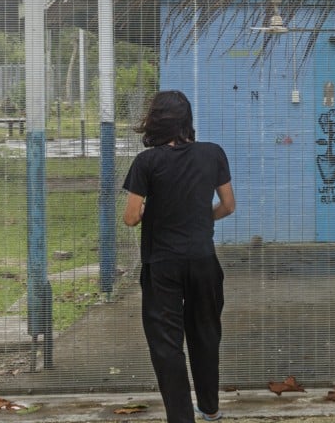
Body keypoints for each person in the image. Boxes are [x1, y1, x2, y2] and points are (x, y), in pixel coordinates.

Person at [123, 90, 236, 423]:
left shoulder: (147, 162)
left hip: (163, 265)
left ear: (156, 120)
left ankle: (182, 417)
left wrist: (153, 214)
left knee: (166, 345)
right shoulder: (213, 154)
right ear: (187, 120)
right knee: (205, 333)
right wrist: (200, 217)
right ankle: (211, 409)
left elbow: (130, 217)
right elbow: (228, 205)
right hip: (203, 262)